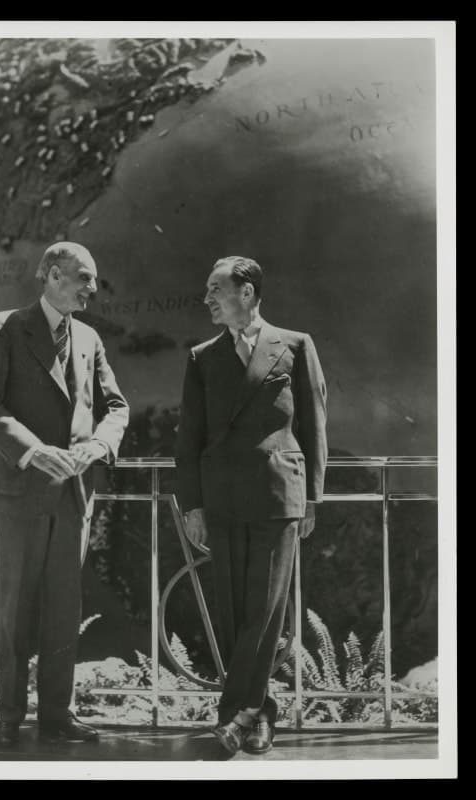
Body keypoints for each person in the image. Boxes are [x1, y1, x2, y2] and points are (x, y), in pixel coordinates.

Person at [0, 241, 129, 748]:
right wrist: (34, 451)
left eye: (94, 279)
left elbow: (116, 407)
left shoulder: (88, 337)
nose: (92, 288)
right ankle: (9, 717)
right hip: (21, 491)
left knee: (65, 607)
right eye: (84, 277)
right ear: (52, 275)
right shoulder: (6, 327)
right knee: (16, 607)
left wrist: (100, 445)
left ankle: (57, 716)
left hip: (74, 496)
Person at [175, 255, 327, 755]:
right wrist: (193, 505)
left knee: (263, 610)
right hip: (221, 498)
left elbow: (313, 425)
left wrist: (311, 498)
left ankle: (233, 715)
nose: (207, 299)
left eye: (215, 289)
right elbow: (189, 437)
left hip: (278, 495)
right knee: (235, 610)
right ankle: (258, 714)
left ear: (247, 292)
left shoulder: (295, 345)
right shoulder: (202, 357)